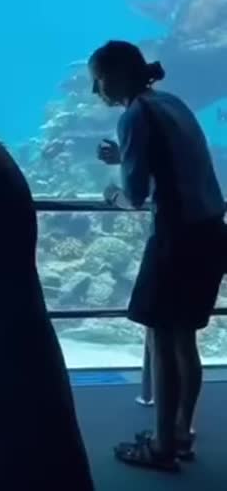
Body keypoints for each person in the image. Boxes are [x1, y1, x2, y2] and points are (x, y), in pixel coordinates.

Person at [89, 39, 226, 472]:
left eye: (98, 80)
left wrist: (111, 195)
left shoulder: (135, 115)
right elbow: (174, 160)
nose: (95, 90)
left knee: (164, 339)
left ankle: (163, 447)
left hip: (177, 239)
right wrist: (125, 155)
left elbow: (134, 194)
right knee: (185, 340)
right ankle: (181, 433)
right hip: (212, 232)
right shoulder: (171, 103)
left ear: (116, 76)